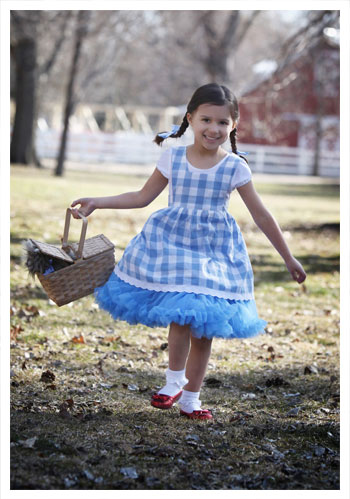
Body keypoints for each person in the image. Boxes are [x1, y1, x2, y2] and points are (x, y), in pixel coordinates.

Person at [71, 83, 306, 420]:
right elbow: (141, 196)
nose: (214, 129)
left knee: (204, 327)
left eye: (223, 123)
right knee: (181, 312)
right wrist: (98, 202)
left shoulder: (235, 167)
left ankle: (190, 399)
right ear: (190, 119)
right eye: (206, 120)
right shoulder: (173, 157)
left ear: (234, 125)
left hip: (214, 251)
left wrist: (288, 256)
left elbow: (261, 214)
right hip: (173, 244)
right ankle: (173, 381)